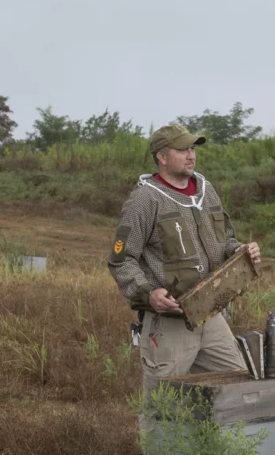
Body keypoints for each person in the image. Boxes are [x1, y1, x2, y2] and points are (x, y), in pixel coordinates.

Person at [108, 123, 262, 396]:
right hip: (168, 325)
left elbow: (224, 239)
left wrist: (239, 251)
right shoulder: (144, 200)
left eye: (192, 148)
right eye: (182, 150)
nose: (191, 155)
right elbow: (122, 259)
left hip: (210, 316)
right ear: (162, 157)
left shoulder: (206, 190)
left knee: (236, 388)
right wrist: (148, 294)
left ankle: (213, 441)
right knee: (163, 406)